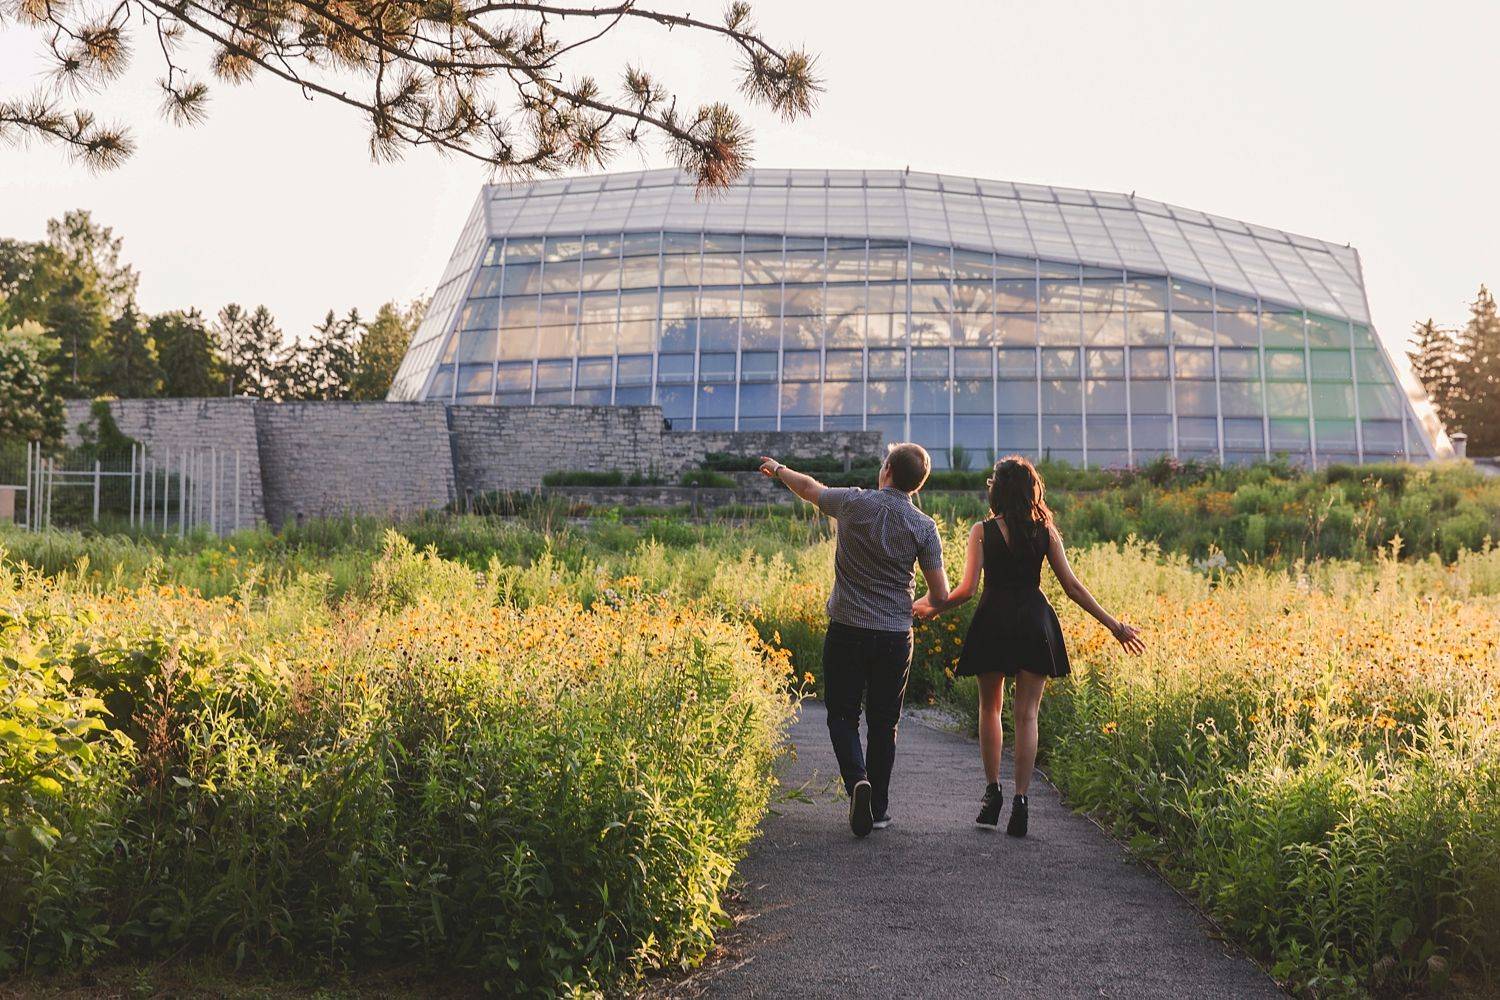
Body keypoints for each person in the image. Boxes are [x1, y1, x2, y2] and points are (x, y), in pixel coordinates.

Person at [913, 456, 1145, 837]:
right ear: (1031, 490)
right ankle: (1021, 801)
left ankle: (993, 794)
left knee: (990, 709)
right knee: (1027, 717)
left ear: (997, 491)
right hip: (1035, 622)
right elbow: (1072, 587)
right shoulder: (1045, 531)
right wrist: (1114, 625)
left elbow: (968, 589)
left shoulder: (982, 531)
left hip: (994, 620)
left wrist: (934, 606)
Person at [759, 444, 950, 838]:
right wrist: (918, 606)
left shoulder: (854, 503)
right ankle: (877, 809)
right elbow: (942, 595)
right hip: (896, 636)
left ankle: (856, 781)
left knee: (842, 715)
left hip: (847, 629)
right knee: (885, 723)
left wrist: (778, 469)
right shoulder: (924, 527)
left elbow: (810, 489)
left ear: (887, 472)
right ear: (918, 484)